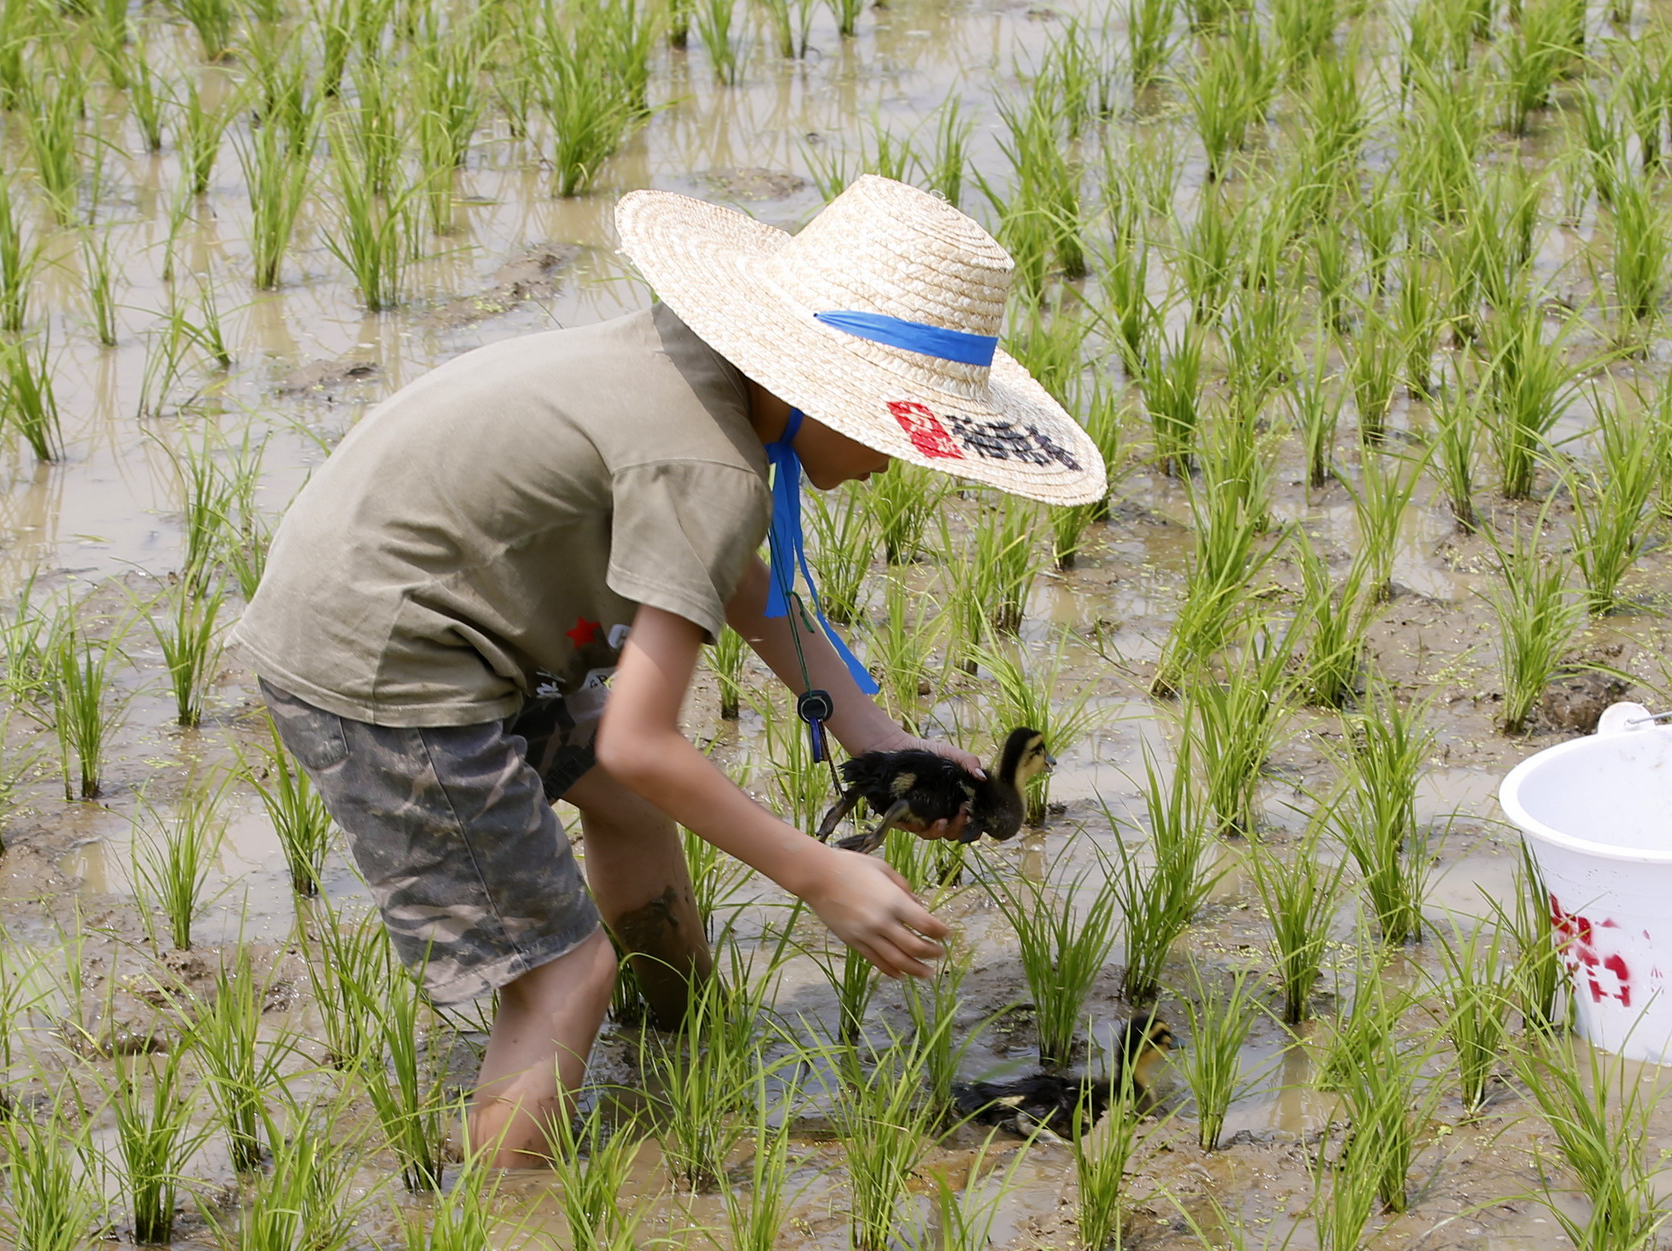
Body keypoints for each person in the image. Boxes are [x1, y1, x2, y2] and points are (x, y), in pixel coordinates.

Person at [235, 175, 1106, 1165]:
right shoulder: (714, 470)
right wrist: (817, 871)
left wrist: (877, 736)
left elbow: (733, 577)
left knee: (629, 816)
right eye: (893, 425)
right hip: (389, 668)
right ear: (814, 382)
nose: (896, 461)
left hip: (427, 615)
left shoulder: (694, 372)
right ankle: (502, 1241)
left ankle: (681, 1050)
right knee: (566, 974)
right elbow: (639, 742)